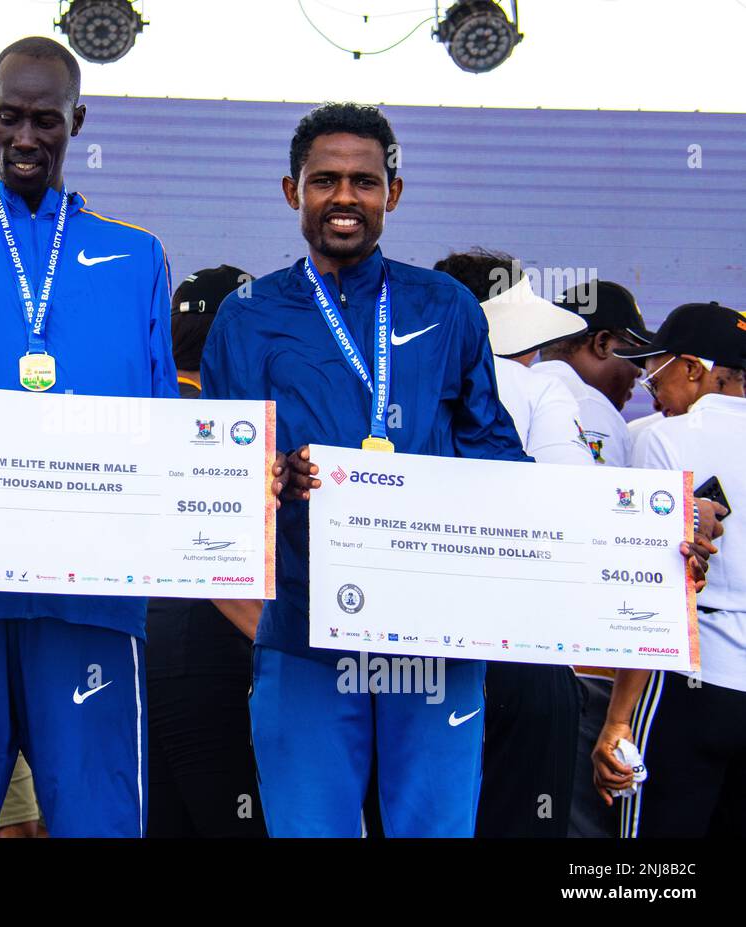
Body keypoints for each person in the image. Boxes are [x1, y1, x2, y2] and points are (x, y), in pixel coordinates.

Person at [0, 37, 283, 837]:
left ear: (76, 121)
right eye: (9, 117)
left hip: (91, 600)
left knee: (99, 819)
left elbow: (164, 427)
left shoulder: (136, 256)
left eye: (45, 120)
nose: (25, 137)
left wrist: (229, 479)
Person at [202, 103, 530, 837]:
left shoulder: (446, 307)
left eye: (364, 181)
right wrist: (262, 478)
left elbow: (497, 458)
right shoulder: (246, 315)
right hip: (305, 631)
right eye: (325, 180)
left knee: (436, 831)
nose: (345, 197)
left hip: (435, 634)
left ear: (394, 192)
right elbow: (212, 470)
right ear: (293, 191)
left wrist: (628, 530)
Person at [434, 248, 589, 837]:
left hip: (404, 657)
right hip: (523, 648)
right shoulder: (539, 388)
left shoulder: (380, 384)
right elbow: (573, 504)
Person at [594, 303, 743, 837]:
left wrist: (617, 719)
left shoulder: (661, 438)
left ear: (694, 369)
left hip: (691, 680)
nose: (647, 385)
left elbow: (654, 582)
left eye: (656, 367)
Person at [147, 265, 267, 838]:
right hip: (211, 642)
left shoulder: (140, 405)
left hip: (136, 651)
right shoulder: (219, 424)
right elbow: (214, 562)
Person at [534, 279, 655, 837]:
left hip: (511, 651)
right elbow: (608, 533)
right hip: (579, 659)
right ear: (602, 343)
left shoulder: (518, 385)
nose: (640, 376)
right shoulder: (586, 407)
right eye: (637, 355)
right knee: (581, 825)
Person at [435, 250, 593, 466]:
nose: (536, 351)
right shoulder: (539, 388)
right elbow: (567, 483)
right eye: (534, 337)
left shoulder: (388, 374)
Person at [536, 280, 653, 467]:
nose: (639, 370)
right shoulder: (589, 406)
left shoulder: (513, 389)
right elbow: (602, 495)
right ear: (603, 343)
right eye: (635, 351)